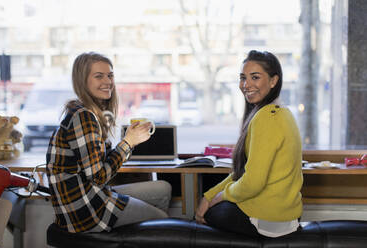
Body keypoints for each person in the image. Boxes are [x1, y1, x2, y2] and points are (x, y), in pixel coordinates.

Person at [46, 52, 171, 233]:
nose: (108, 82)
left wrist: (129, 141)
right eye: (99, 76)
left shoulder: (90, 113)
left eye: (110, 75)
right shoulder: (83, 117)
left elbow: (99, 167)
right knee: (163, 222)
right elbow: (98, 177)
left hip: (93, 197)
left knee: (163, 188)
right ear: (82, 81)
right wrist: (127, 143)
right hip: (85, 210)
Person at [195, 50, 303, 238]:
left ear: (273, 81)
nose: (246, 84)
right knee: (208, 206)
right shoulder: (282, 113)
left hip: (269, 219)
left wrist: (219, 198)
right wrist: (209, 196)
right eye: (243, 78)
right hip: (284, 216)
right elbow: (243, 173)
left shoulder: (267, 118)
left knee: (207, 214)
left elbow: (252, 183)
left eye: (255, 77)